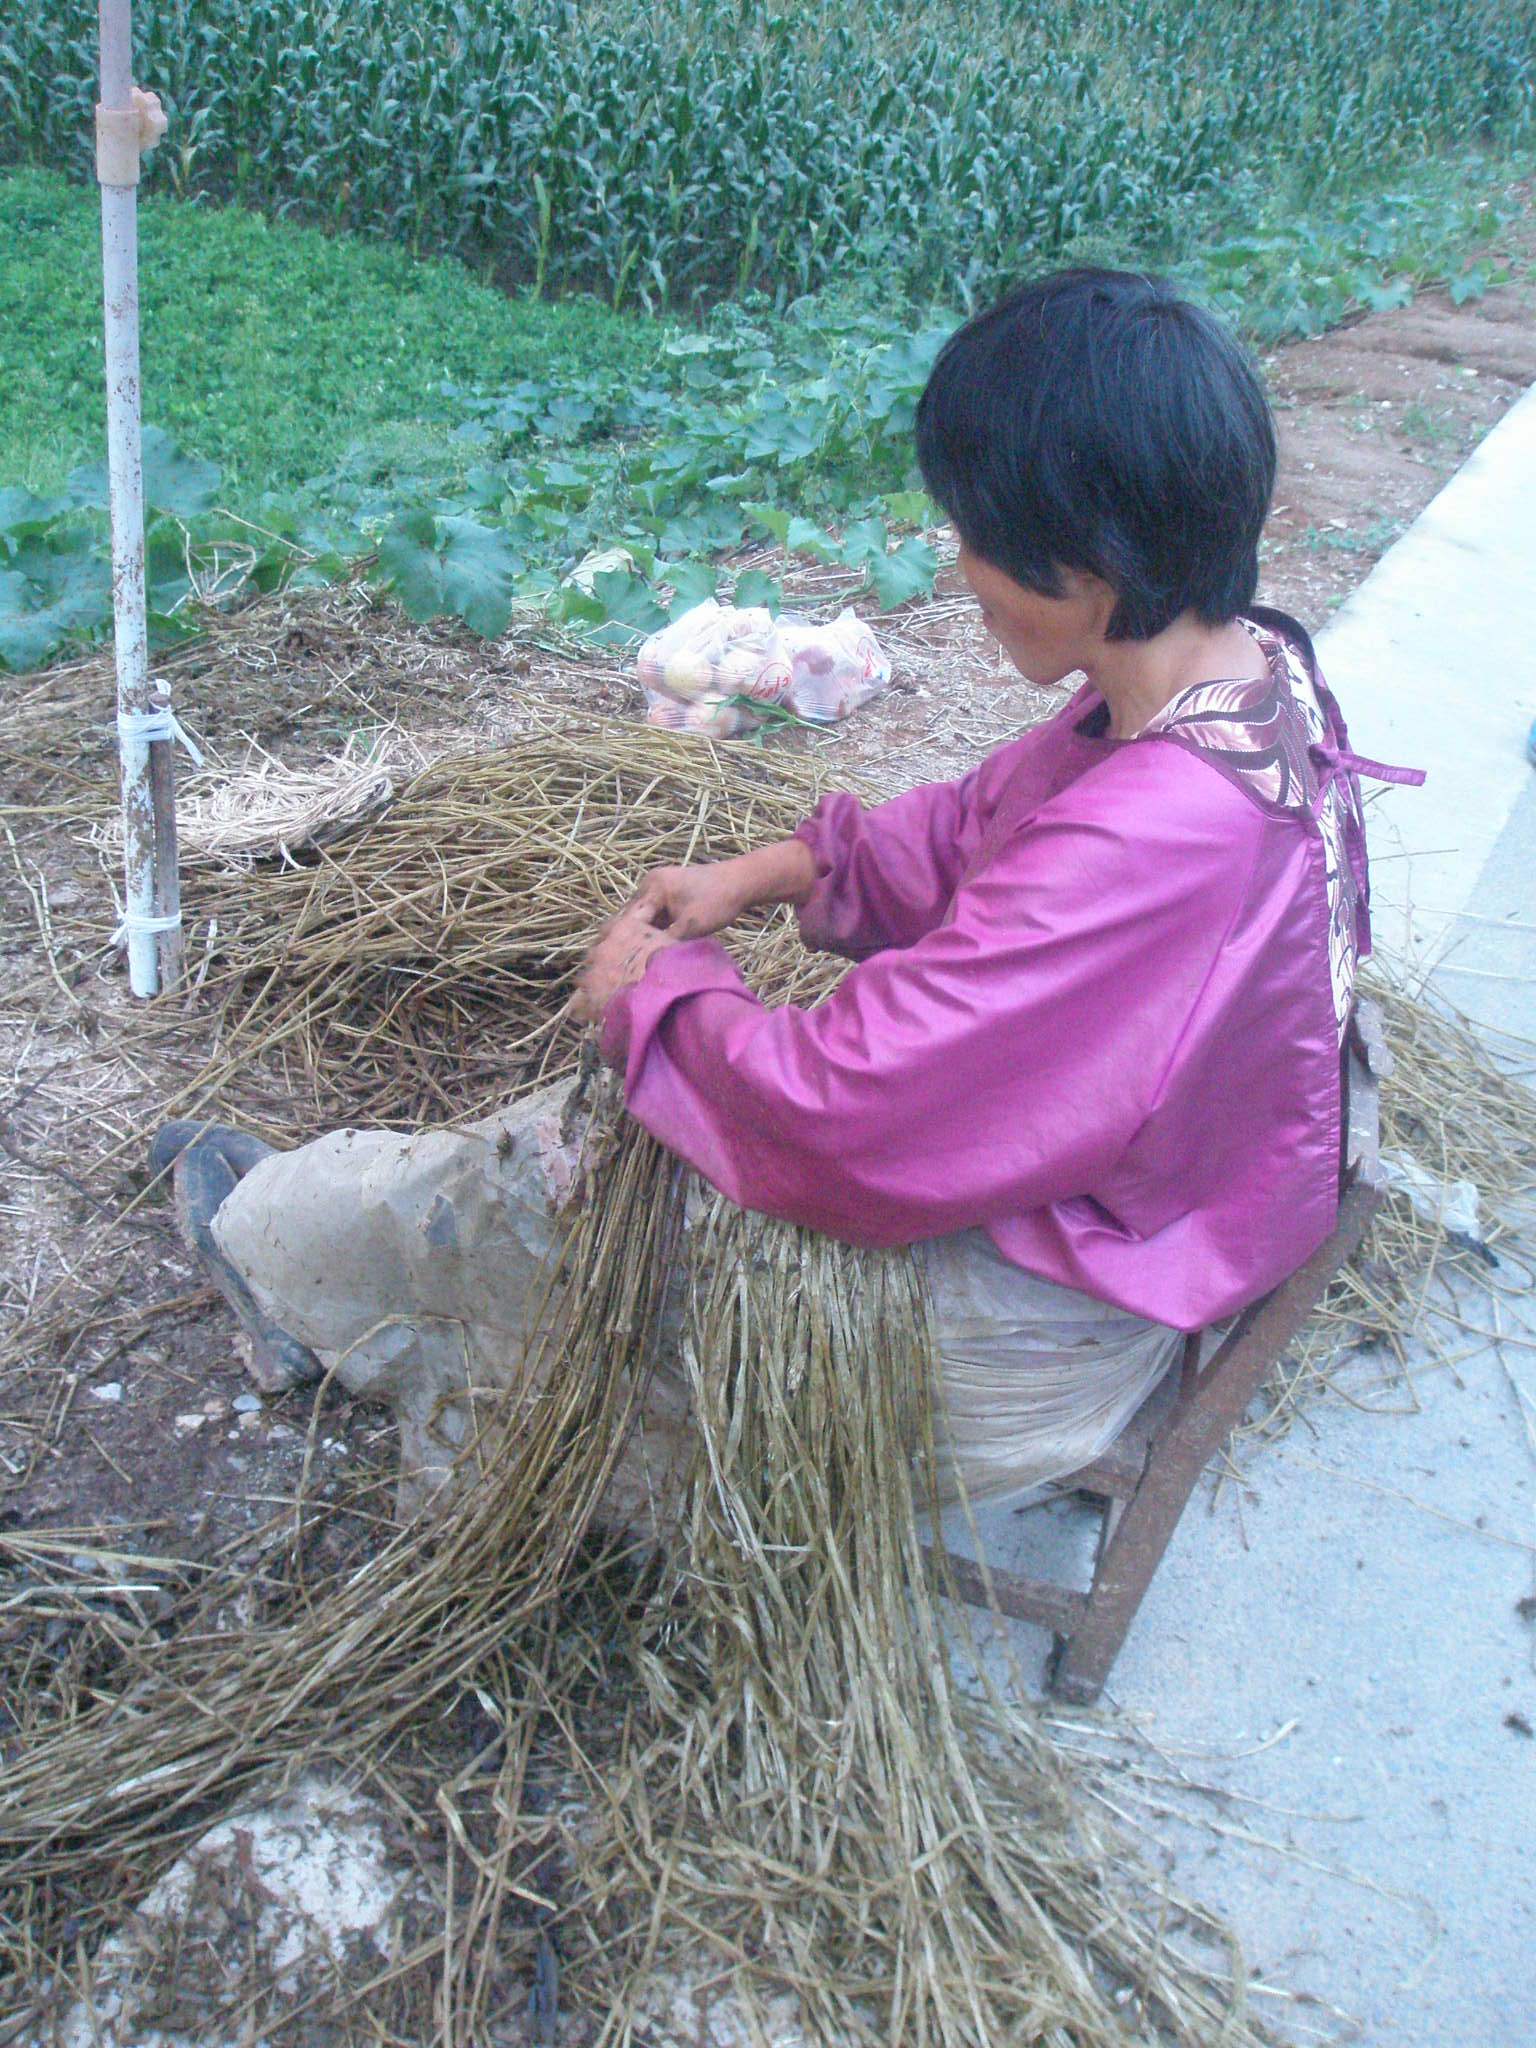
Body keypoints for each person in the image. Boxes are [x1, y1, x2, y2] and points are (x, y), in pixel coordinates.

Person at [154, 269, 1420, 1531]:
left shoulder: (1157, 841)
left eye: (975, 532)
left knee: (578, 1162)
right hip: (1168, 1224)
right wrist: (769, 874)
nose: (960, 562)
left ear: (1086, 570)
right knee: (646, 1104)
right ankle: (365, 1249)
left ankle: (277, 1251)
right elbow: (983, 824)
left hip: (1039, 1339)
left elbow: (842, 1108)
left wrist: (651, 997)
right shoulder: (1237, 672)